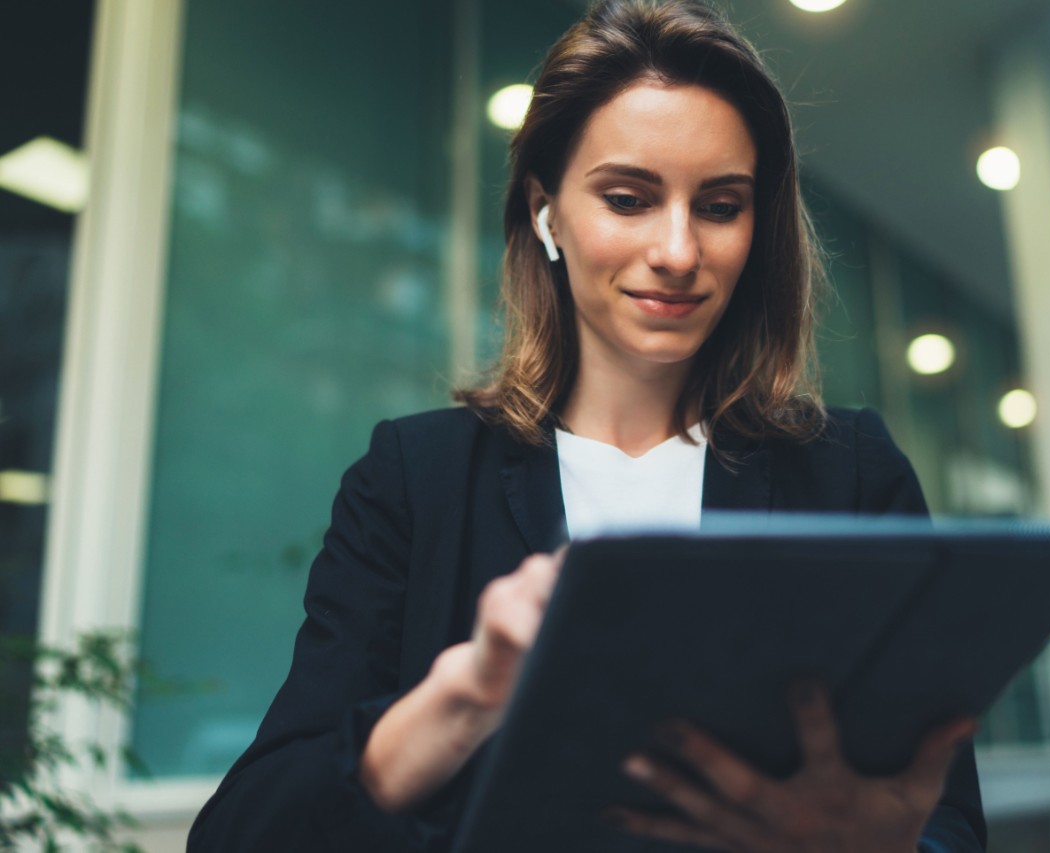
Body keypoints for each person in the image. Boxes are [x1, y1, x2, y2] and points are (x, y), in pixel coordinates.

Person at [188, 1, 986, 850]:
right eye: (628, 197)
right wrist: (465, 695)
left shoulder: (846, 474)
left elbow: (949, 822)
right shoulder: (414, 480)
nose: (678, 250)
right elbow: (245, 833)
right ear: (545, 211)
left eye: (719, 206)